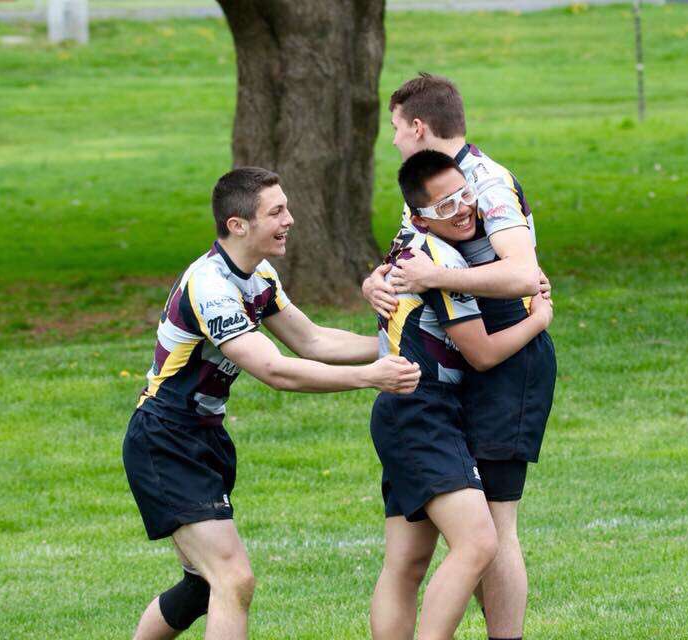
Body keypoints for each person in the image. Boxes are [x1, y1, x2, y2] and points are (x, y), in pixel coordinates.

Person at [123, 166, 421, 640]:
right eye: (276, 212)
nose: (290, 220)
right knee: (232, 580)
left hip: (204, 437)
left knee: (202, 588)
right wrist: (370, 377)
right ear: (238, 225)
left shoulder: (258, 274)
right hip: (165, 439)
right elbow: (275, 370)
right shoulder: (211, 287)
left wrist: (397, 343)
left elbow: (313, 340)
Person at [363, 74, 557, 640]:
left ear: (418, 127)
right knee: (461, 533)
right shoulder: (430, 187)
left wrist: (438, 278)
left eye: (396, 129)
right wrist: (374, 281)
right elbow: (410, 258)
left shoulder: (485, 182)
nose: (394, 140)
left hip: (506, 359)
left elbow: (523, 274)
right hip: (455, 363)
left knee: (493, 521)